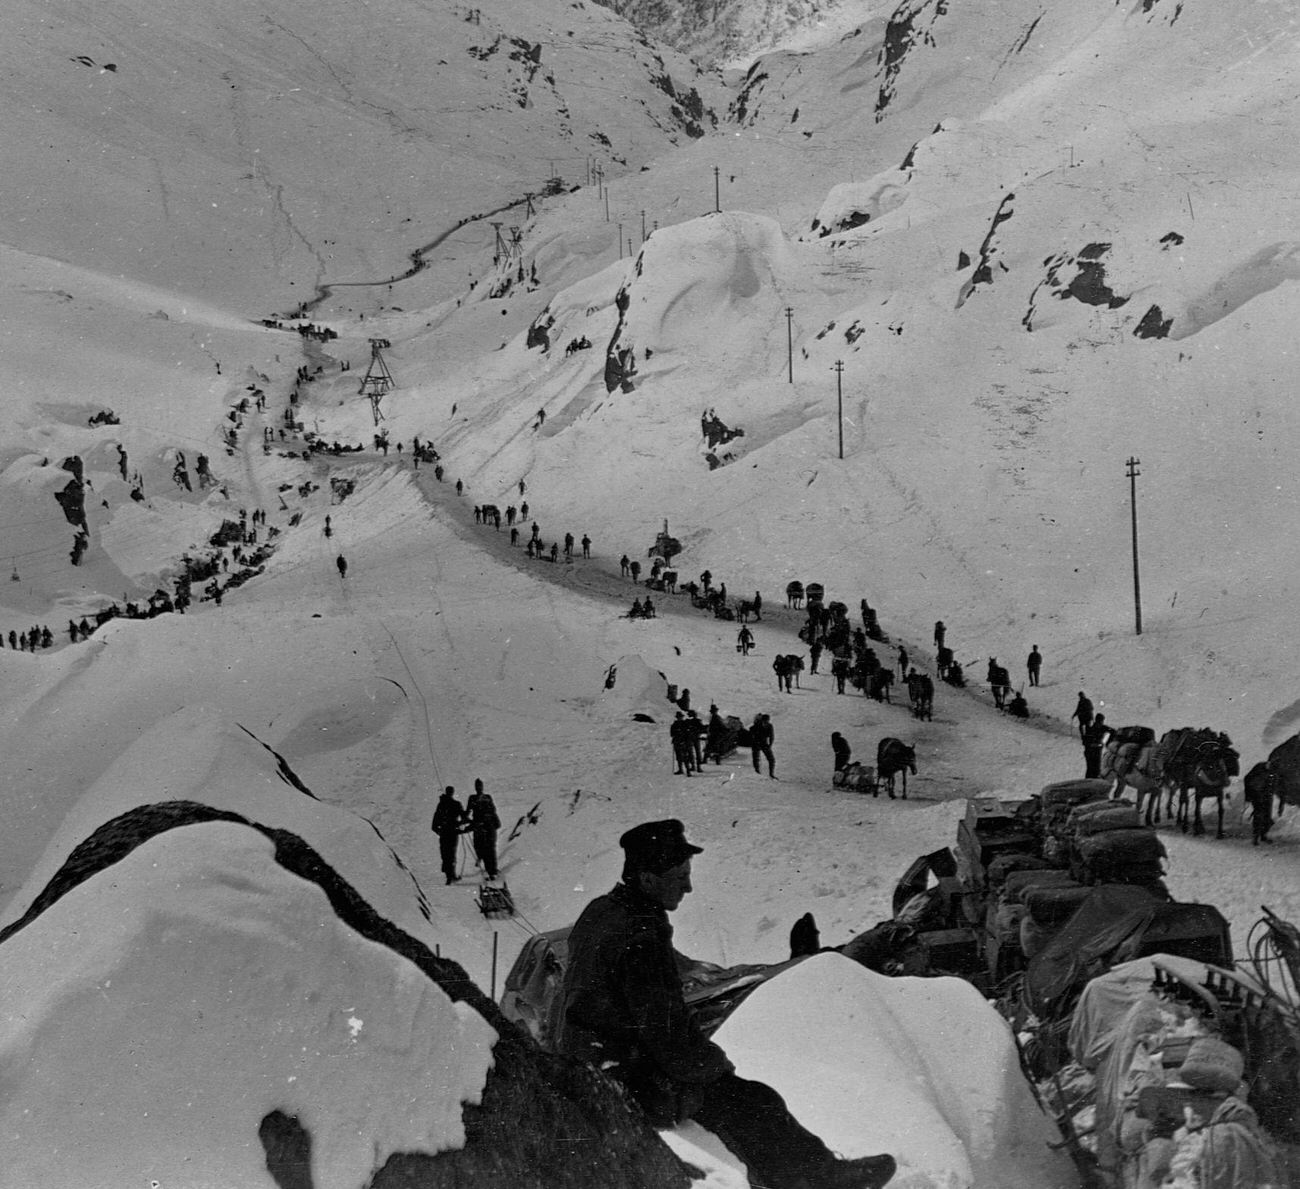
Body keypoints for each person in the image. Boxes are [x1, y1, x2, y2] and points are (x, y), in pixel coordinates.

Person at [557, 821, 896, 1189]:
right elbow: (668, 1038)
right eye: (679, 876)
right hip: (627, 1080)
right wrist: (716, 1066)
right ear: (647, 880)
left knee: (742, 1099)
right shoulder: (641, 936)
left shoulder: (601, 910)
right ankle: (824, 1180)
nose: (688, 886)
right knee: (753, 1101)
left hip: (589, 1065)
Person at [465, 778, 500, 880]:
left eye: (479, 786)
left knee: (485, 848)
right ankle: (491, 870)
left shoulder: (476, 798)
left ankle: (491, 871)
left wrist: (469, 823)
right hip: (487, 827)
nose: (478, 788)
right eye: (477, 786)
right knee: (487, 849)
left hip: (483, 827)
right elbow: (493, 810)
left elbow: (467, 813)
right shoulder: (484, 798)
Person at [431, 786, 467, 884]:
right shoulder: (456, 804)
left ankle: (448, 874)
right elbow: (464, 817)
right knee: (451, 854)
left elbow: (435, 819)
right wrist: (461, 824)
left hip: (444, 832)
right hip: (453, 832)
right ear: (452, 793)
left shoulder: (441, 804)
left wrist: (437, 830)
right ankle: (451, 875)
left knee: (445, 853)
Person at [1082, 714, 1109, 779]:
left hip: (1096, 751)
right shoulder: (1090, 728)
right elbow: (1085, 741)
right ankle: (1090, 781)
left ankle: (1092, 780)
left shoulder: (1103, 727)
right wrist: (1094, 744)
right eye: (1101, 721)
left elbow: (1112, 731)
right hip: (1090, 752)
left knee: (1095, 769)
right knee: (1091, 769)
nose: (1102, 723)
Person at [751, 712, 775, 778]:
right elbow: (771, 737)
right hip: (761, 743)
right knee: (770, 759)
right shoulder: (769, 726)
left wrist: (770, 745)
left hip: (758, 743)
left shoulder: (757, 725)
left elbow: (771, 737)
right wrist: (770, 745)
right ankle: (770, 773)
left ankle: (758, 771)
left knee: (757, 758)